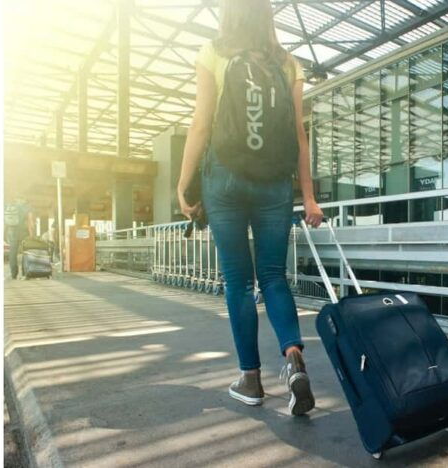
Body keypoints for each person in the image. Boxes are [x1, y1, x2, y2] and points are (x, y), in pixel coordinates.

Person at [176, 0, 323, 416]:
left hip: (224, 179)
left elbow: (201, 124)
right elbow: (299, 134)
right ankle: (294, 360)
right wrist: (308, 196)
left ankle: (251, 379)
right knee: (274, 276)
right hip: (275, 184)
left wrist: (183, 182)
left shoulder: (214, 52)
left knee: (239, 281)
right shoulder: (287, 63)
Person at [4, 197, 34, 279]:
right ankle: (25, 273)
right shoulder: (27, 207)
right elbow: (30, 221)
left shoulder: (9, 205)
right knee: (26, 253)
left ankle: (14, 274)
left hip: (11, 232)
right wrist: (32, 234)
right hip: (24, 232)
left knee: (12, 253)